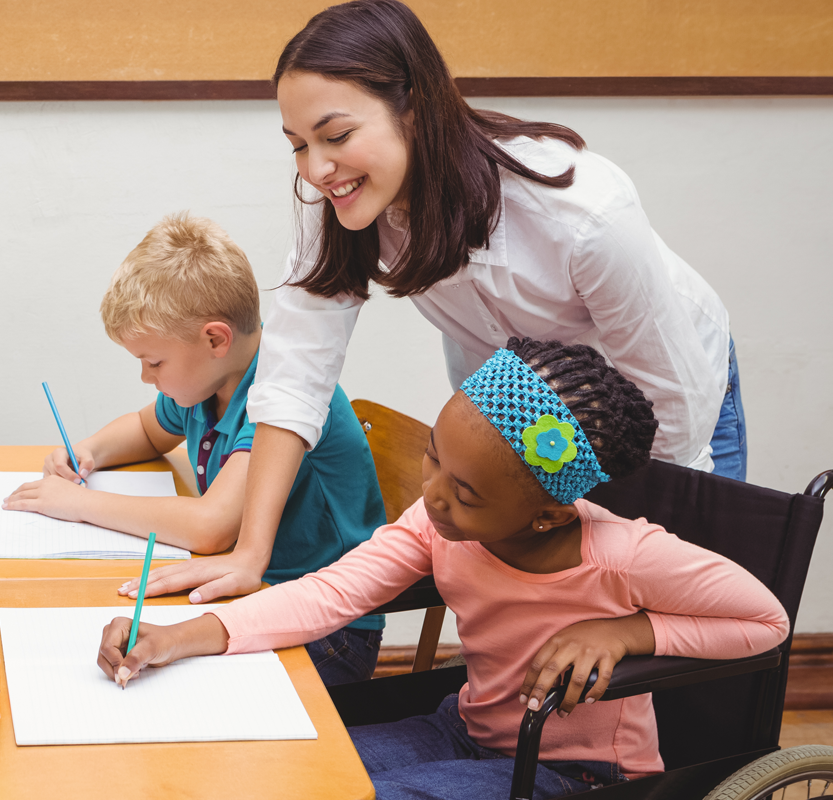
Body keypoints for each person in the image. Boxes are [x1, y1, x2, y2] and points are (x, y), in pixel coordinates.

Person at [143, 0, 744, 605]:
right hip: (520, 411)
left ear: (415, 108)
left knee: (654, 615)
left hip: (661, 400)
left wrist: (644, 570)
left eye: (337, 135)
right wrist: (252, 554)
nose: (317, 169)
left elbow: (673, 416)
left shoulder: (583, 215)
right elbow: (295, 373)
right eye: (297, 144)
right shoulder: (337, 200)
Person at [97, 339, 787, 800]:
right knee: (291, 773)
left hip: (573, 771)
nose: (432, 496)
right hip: (463, 728)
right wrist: (174, 637)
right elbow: (332, 594)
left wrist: (624, 634)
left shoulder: (624, 555)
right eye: (435, 459)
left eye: (467, 492)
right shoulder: (437, 524)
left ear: (548, 514)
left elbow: (766, 621)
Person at [3, 212, 386, 685]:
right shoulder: (208, 383)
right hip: (247, 601)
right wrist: (90, 451)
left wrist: (80, 504)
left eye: (154, 362)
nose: (146, 377)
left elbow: (211, 529)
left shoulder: (282, 393)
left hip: (330, 630)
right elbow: (147, 429)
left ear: (214, 339)